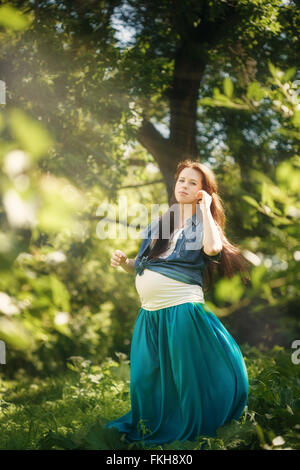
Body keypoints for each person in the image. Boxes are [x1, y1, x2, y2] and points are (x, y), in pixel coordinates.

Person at [105, 159, 249, 448]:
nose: (184, 185)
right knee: (145, 378)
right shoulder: (161, 223)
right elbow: (146, 264)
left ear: (203, 191)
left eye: (193, 182)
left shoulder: (204, 225)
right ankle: (152, 423)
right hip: (149, 315)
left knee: (187, 379)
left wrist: (206, 208)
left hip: (182, 309)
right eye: (181, 179)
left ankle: (195, 430)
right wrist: (125, 263)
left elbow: (212, 249)